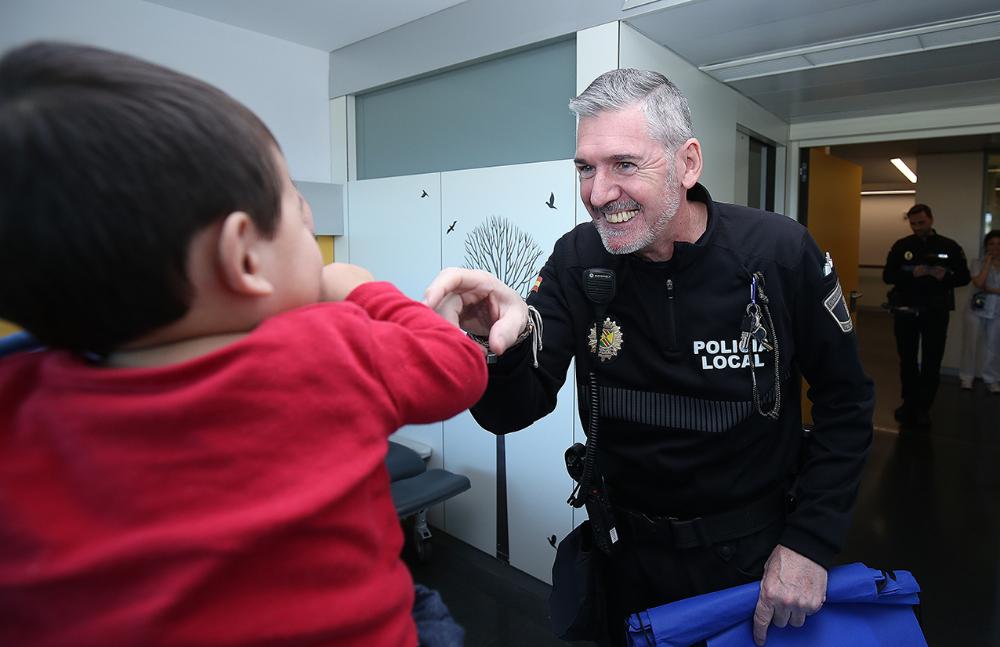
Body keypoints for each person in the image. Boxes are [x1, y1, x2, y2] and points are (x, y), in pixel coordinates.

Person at [0, 42, 486, 646]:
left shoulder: (20, 404)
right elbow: (457, 366)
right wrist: (363, 289)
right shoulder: (329, 349)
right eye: (301, 219)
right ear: (244, 258)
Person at [424, 69, 874, 646]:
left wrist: (810, 541)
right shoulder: (577, 259)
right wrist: (497, 347)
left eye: (624, 164)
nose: (597, 193)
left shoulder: (778, 253)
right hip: (624, 558)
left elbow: (846, 402)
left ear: (687, 163)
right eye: (586, 168)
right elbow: (511, 411)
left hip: (751, 563)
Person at [883, 204, 971, 425]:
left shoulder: (949, 246)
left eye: (921, 223)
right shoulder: (902, 246)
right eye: (913, 224)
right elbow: (888, 276)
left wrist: (945, 277)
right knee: (907, 360)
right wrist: (911, 273)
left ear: (931, 219)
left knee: (932, 361)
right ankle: (908, 402)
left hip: (935, 312)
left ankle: (924, 407)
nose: (917, 227)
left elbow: (964, 277)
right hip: (906, 310)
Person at [959, 230, 1000, 393]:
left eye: (999, 244)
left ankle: (991, 379)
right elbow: (979, 283)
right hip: (975, 310)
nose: (995, 247)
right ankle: (966, 377)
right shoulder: (977, 262)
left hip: (997, 311)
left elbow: (985, 287)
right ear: (986, 246)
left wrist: (990, 289)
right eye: (991, 244)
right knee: (970, 344)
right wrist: (987, 263)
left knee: (994, 347)